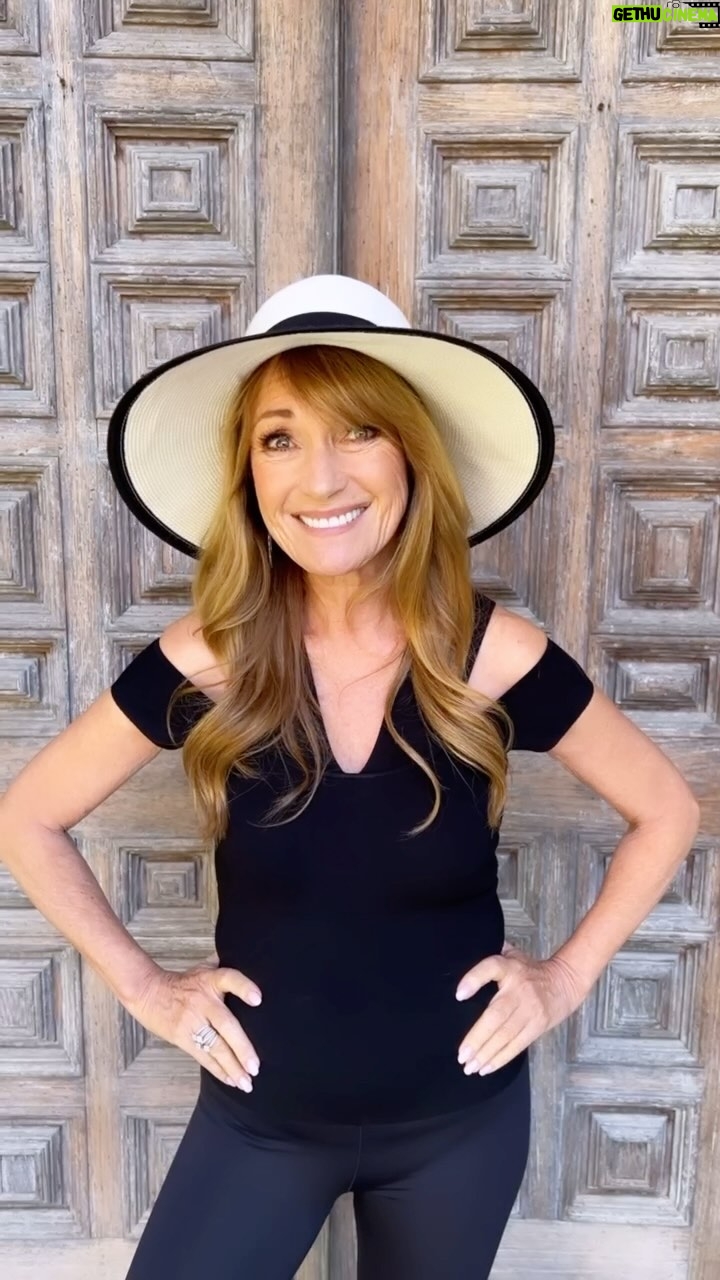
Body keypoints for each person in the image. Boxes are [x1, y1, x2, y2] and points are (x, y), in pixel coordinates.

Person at [0, 275, 700, 1280]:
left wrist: (563, 978)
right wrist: (146, 988)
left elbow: (667, 808)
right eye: (280, 439)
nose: (320, 479)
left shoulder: (491, 655)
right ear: (248, 474)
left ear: (411, 453)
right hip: (260, 1126)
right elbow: (28, 815)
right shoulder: (209, 656)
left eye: (358, 432)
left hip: (458, 1129)